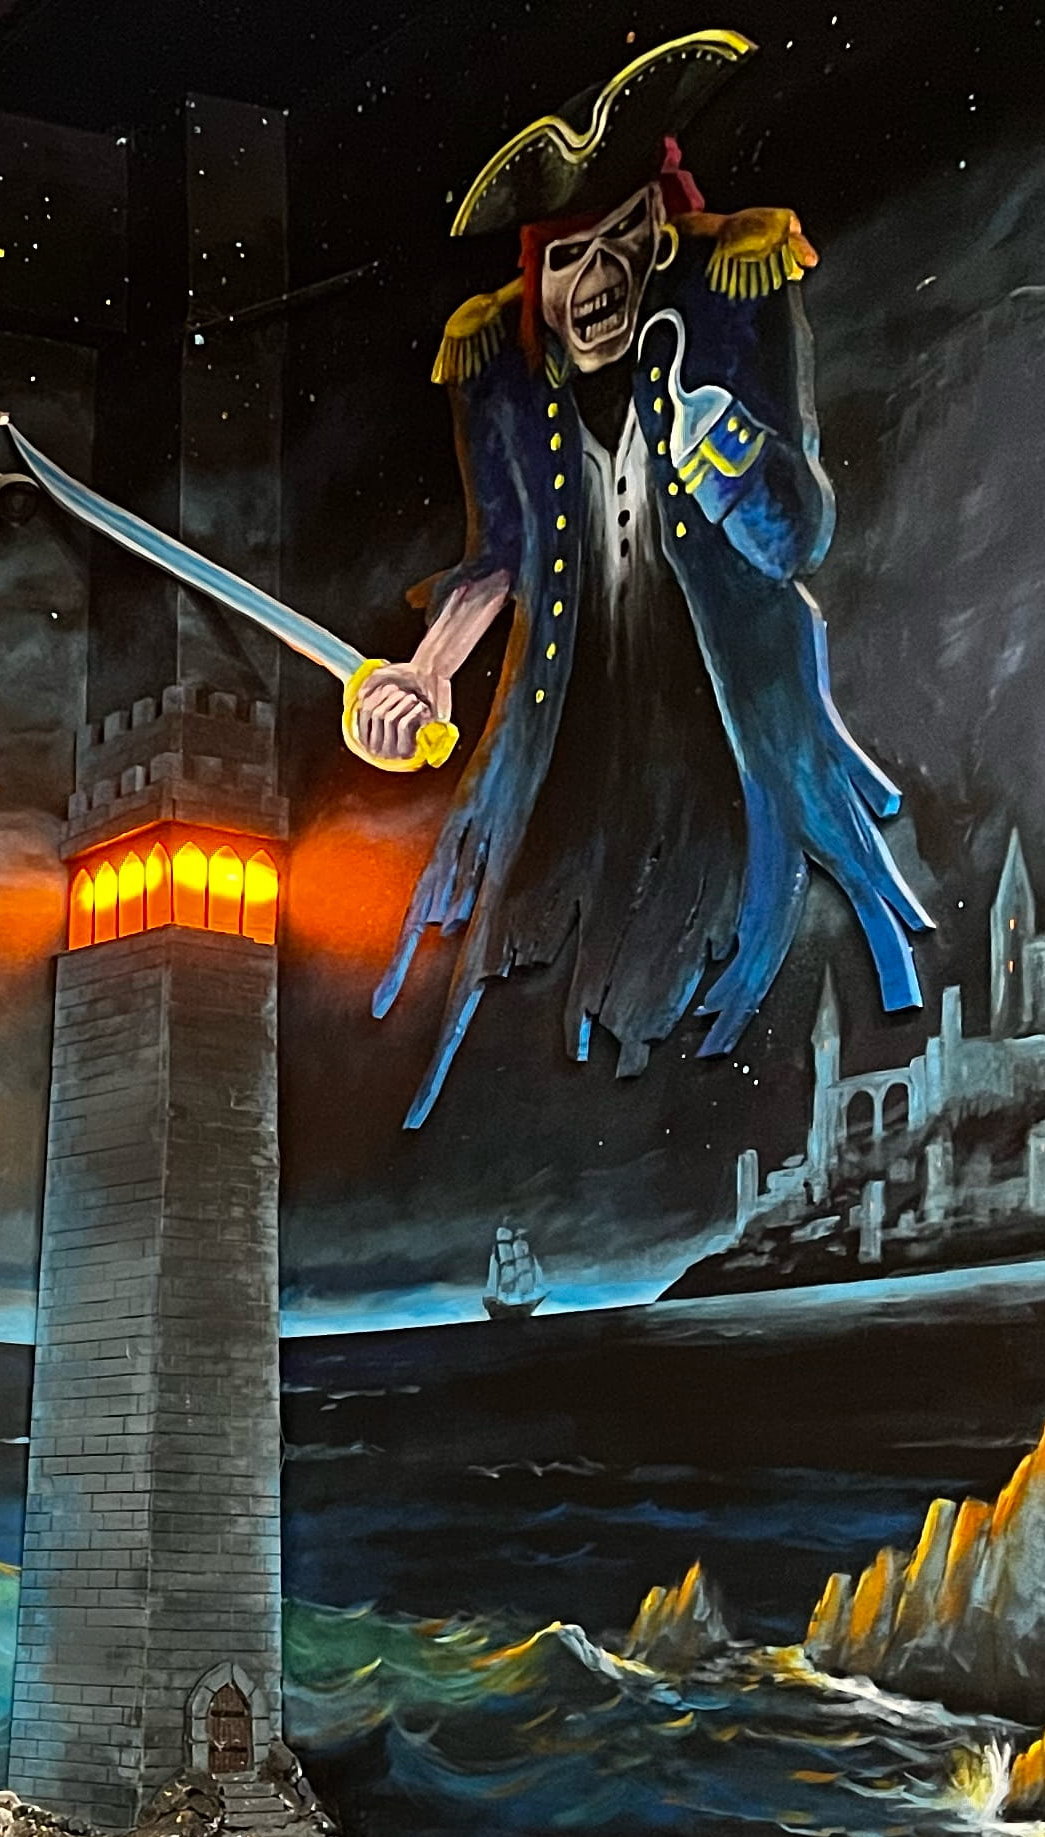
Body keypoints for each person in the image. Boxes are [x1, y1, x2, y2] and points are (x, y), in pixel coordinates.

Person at [347, 27, 933, 1129]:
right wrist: (427, 672)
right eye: (571, 258)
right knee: (529, 982)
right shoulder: (500, 369)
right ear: (539, 277)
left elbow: (795, 539)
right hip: (571, 734)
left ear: (659, 233)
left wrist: (734, 461)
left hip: (732, 729)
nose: (599, 280)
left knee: (728, 963)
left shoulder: (734, 287)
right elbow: (502, 553)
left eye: (623, 240)